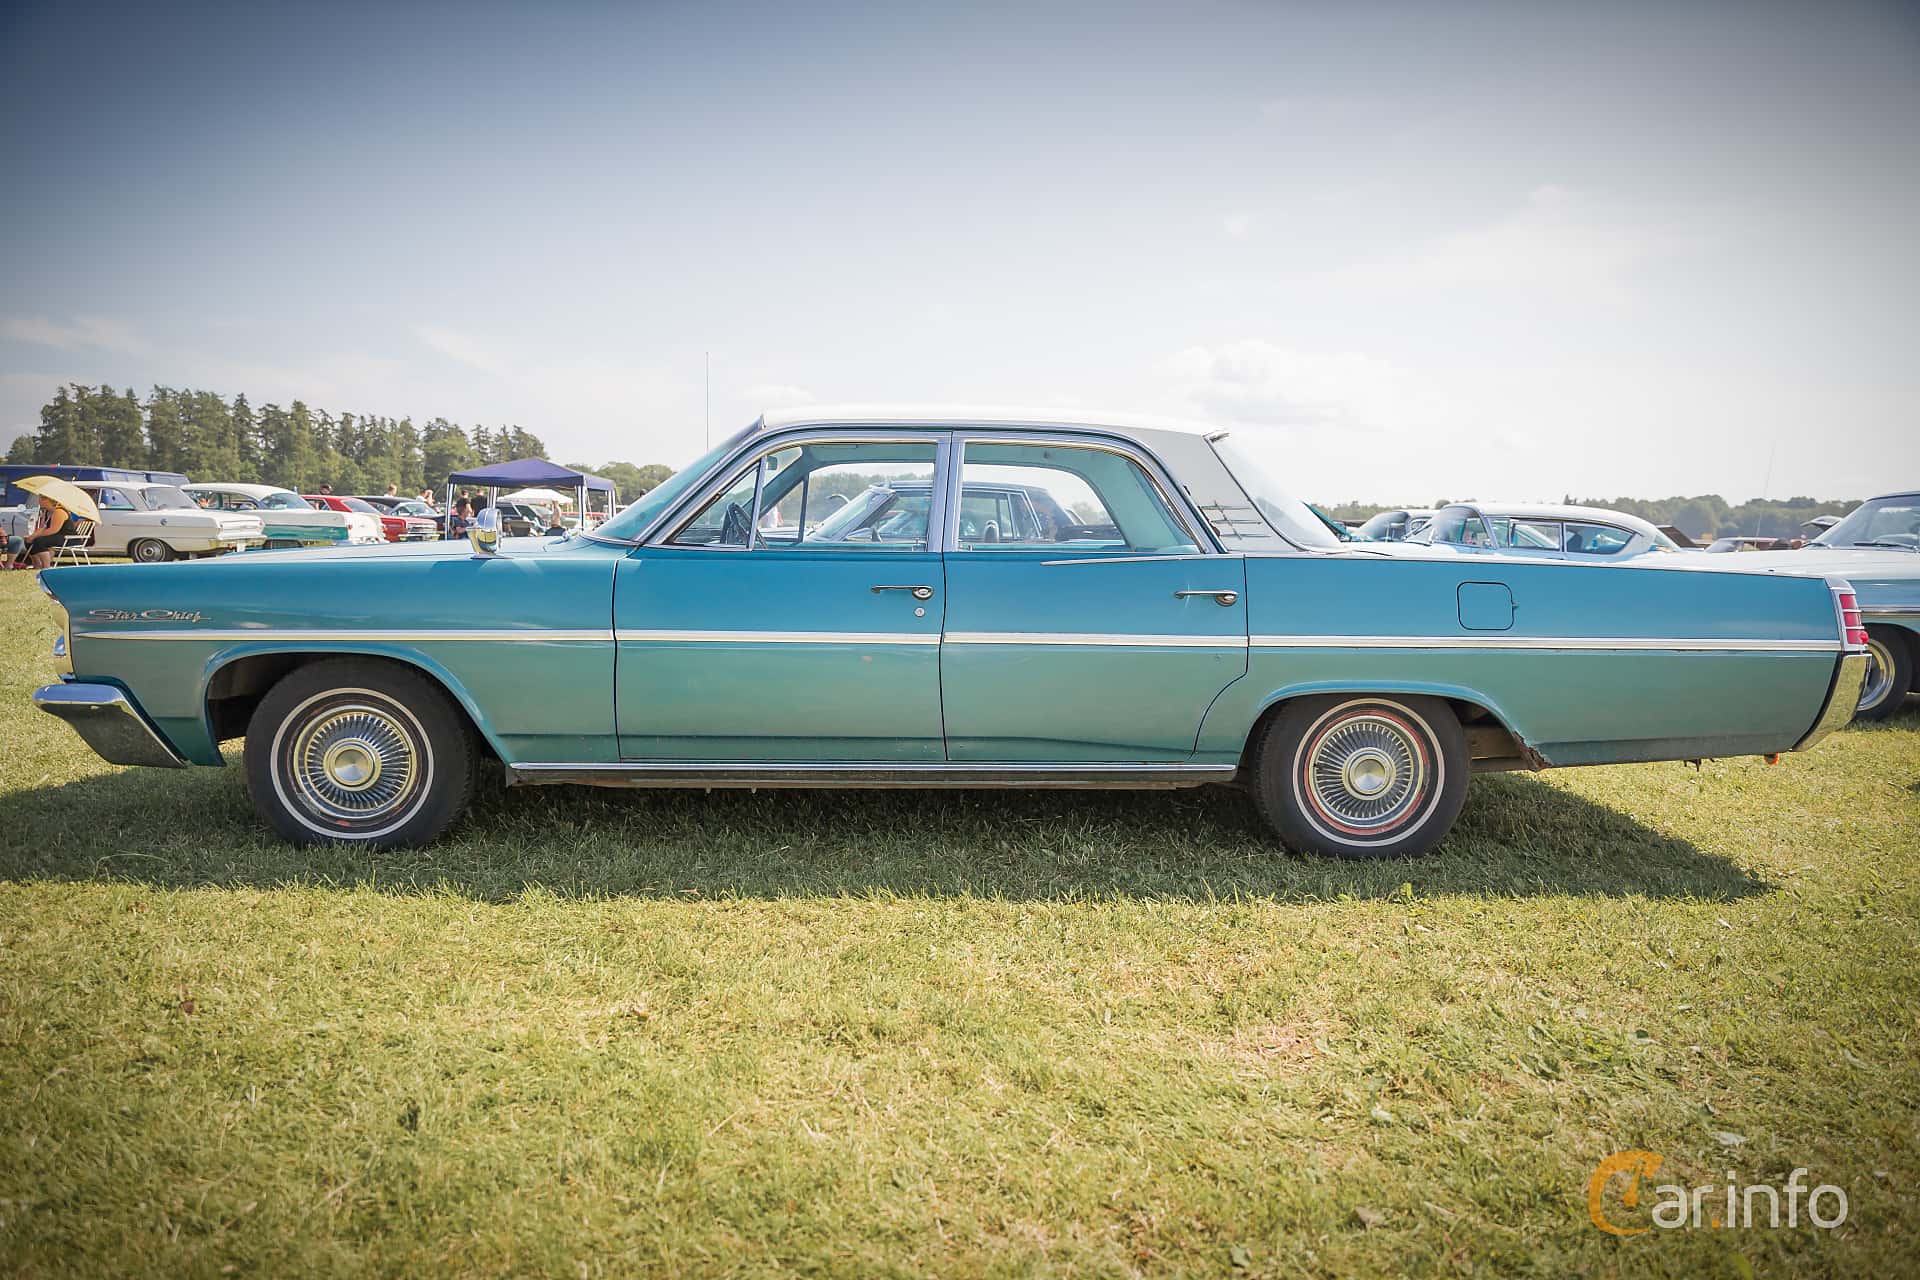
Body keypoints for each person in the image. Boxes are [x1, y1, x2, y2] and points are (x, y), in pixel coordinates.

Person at [22, 494, 77, 569]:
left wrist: (36, 536)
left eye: (41, 499)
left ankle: (46, 566)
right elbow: (42, 528)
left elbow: (53, 530)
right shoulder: (47, 512)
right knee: (28, 540)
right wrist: (32, 536)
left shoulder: (59, 511)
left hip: (68, 538)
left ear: (50, 501)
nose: (39, 501)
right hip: (57, 536)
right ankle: (37, 564)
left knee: (39, 541)